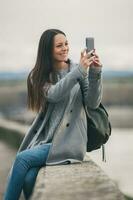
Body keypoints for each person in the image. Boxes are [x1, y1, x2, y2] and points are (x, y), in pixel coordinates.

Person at [3, 29, 103, 200]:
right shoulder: (38, 76)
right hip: (45, 140)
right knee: (28, 178)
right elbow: (54, 94)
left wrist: (95, 73)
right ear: (47, 50)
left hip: (69, 142)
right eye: (59, 45)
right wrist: (79, 71)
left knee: (22, 159)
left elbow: (93, 104)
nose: (65, 48)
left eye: (66, 44)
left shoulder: (78, 71)